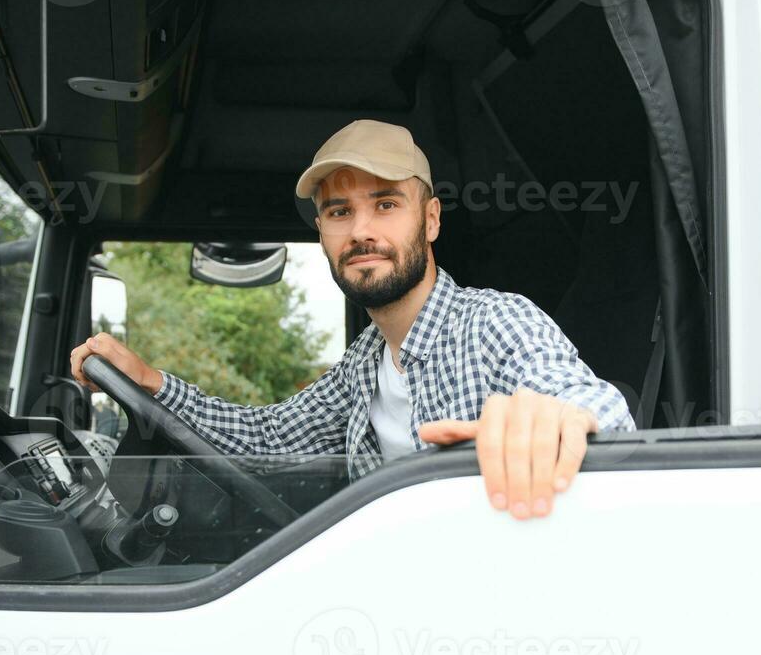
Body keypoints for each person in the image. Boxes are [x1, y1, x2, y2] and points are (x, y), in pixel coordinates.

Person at [71, 120, 634, 521]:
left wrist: (557, 421)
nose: (362, 230)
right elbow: (267, 440)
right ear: (322, 233)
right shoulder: (363, 364)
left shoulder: (495, 322)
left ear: (431, 220)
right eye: (340, 212)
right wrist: (153, 384)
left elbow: (602, 414)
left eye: (386, 204)